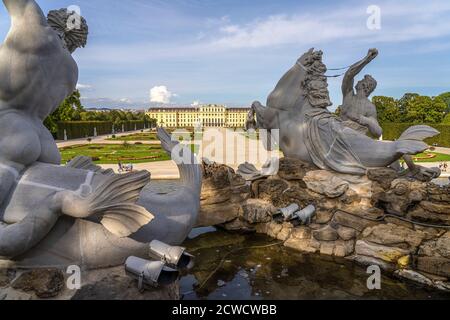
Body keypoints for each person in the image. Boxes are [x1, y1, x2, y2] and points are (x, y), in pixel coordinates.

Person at [340, 49, 382, 139]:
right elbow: (349, 74)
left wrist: (362, 119)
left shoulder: (370, 107)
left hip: (356, 141)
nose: (358, 81)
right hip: (339, 138)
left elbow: (378, 132)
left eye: (361, 80)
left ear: (365, 86)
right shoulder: (349, 94)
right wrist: (366, 60)